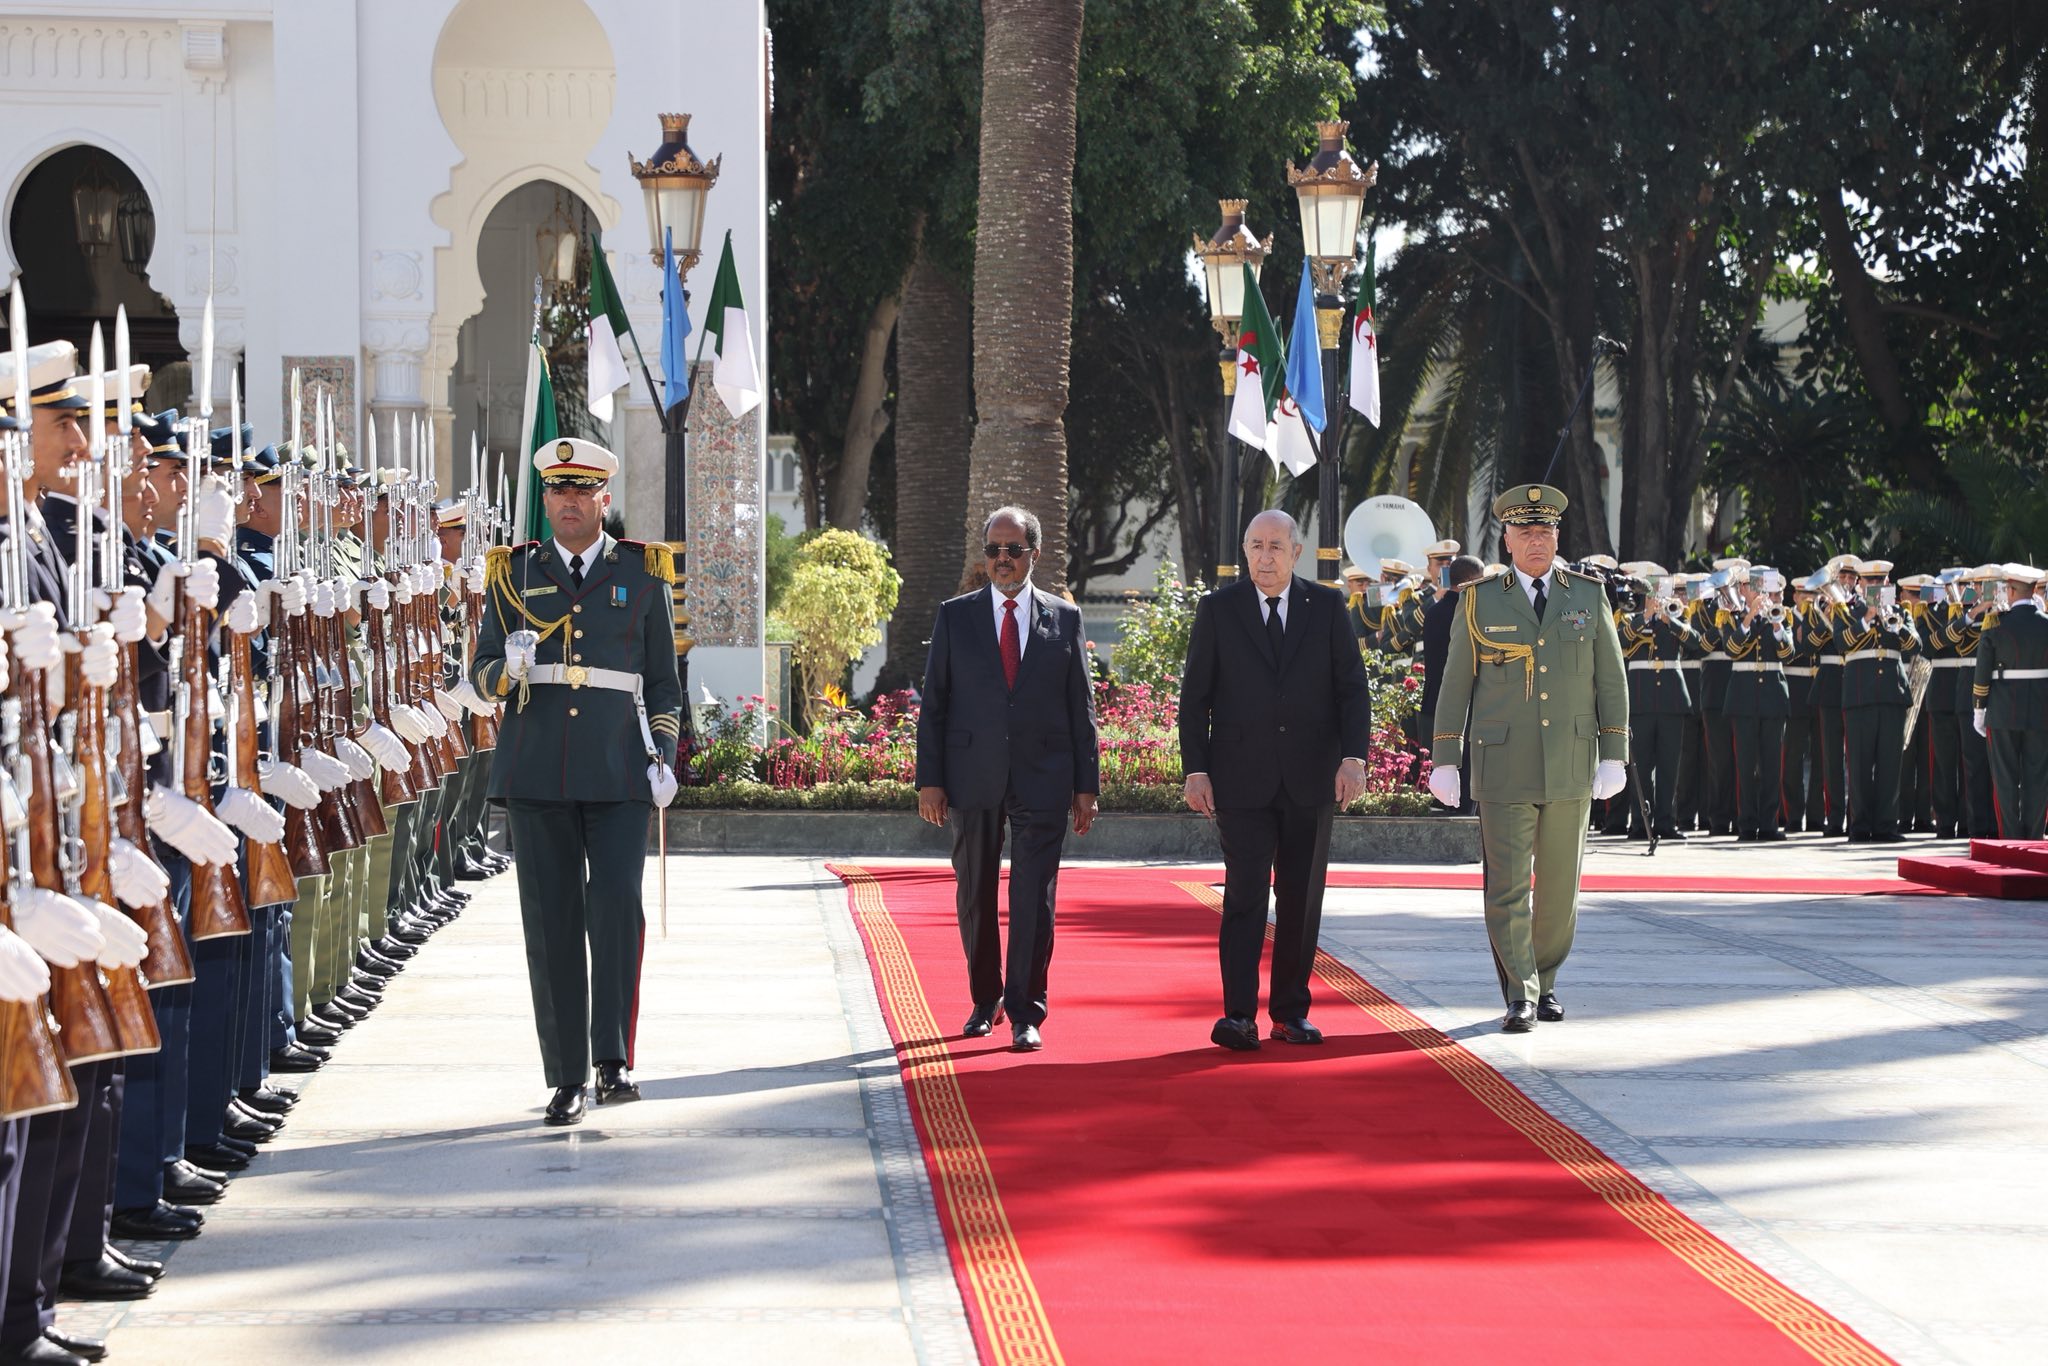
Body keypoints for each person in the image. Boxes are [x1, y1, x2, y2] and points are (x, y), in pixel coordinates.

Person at [471, 438, 683, 1126]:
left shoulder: (642, 576)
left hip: (620, 767)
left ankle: (613, 1059)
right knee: (552, 922)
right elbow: (478, 675)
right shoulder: (512, 576)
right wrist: (508, 669)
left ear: (603, 500)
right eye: (557, 491)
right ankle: (565, 1075)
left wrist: (665, 755)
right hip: (537, 771)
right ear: (547, 500)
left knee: (618, 908)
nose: (567, 502)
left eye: (580, 491)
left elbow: (661, 682)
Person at [1426, 484, 1628, 1032]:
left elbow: (1611, 679)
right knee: (1508, 884)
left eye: (1545, 531)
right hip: (1504, 762)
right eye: (1525, 532)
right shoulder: (1479, 599)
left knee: (1561, 888)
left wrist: (1616, 752)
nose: (1536, 541)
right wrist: (1446, 757)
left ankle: (1547, 981)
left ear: (1557, 536)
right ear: (1507, 540)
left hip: (1569, 759)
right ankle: (1521, 991)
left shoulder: (1587, 595)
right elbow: (1455, 684)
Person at [1179, 509, 1373, 1052]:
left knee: (1300, 900)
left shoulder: (1328, 605)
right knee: (1244, 897)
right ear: (1245, 551)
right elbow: (1195, 699)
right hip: (1240, 781)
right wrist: (1196, 770)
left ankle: (1290, 1013)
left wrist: (1353, 757)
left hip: (1312, 779)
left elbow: (1352, 691)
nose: (1265, 557)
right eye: (1256, 546)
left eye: (1275, 547)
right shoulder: (1219, 610)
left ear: (1296, 552)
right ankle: (1238, 1015)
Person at [914, 506, 1099, 1052]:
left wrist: (1086, 788)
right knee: (974, 892)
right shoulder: (955, 616)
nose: (1001, 559)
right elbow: (936, 706)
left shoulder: (1064, 618)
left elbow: (1080, 707)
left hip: (1044, 776)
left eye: (1012, 550)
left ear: (1033, 555)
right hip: (971, 776)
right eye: (993, 549)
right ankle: (983, 1000)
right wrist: (931, 781)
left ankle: (1025, 1010)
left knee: (1033, 898)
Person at [1973, 565, 2048, 839]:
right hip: (2042, 711)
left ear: (2013, 590)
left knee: (2005, 778)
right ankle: (2034, 836)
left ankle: (2010, 837)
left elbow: (1983, 671)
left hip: (2003, 709)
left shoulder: (1995, 623)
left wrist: (1979, 709)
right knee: (2038, 776)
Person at [1421, 554, 1485, 815]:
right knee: (1467, 774)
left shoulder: (1433, 611)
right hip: (1465, 704)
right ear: (1471, 580)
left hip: (1434, 702)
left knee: (1443, 775)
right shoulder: (1470, 611)